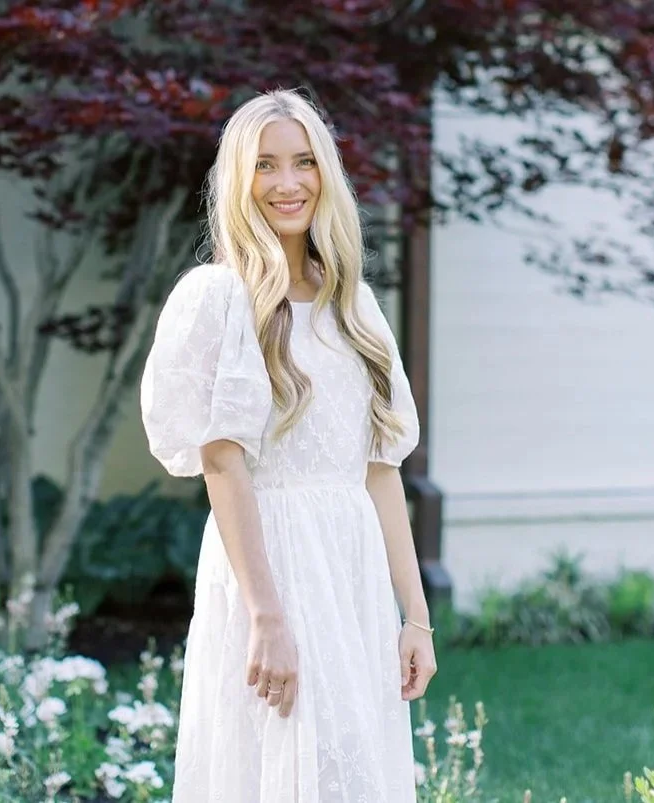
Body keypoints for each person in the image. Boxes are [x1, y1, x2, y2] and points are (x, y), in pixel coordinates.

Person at [140, 88, 437, 802]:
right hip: (265, 570)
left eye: (303, 162)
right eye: (266, 165)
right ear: (240, 182)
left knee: (351, 769)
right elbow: (221, 461)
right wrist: (267, 615)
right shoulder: (217, 297)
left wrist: (415, 617)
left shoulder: (353, 306)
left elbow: (380, 470)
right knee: (270, 768)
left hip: (351, 570)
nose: (287, 182)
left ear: (324, 175)